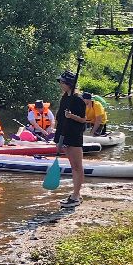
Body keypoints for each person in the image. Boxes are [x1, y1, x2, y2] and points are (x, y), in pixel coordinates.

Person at [54, 71, 88, 209]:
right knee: (73, 166)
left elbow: (83, 120)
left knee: (77, 166)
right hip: (64, 134)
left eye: (62, 82)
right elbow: (60, 117)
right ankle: (76, 194)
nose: (60, 84)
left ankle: (76, 196)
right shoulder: (65, 97)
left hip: (74, 135)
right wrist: (57, 137)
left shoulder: (78, 99)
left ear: (69, 84)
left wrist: (71, 116)